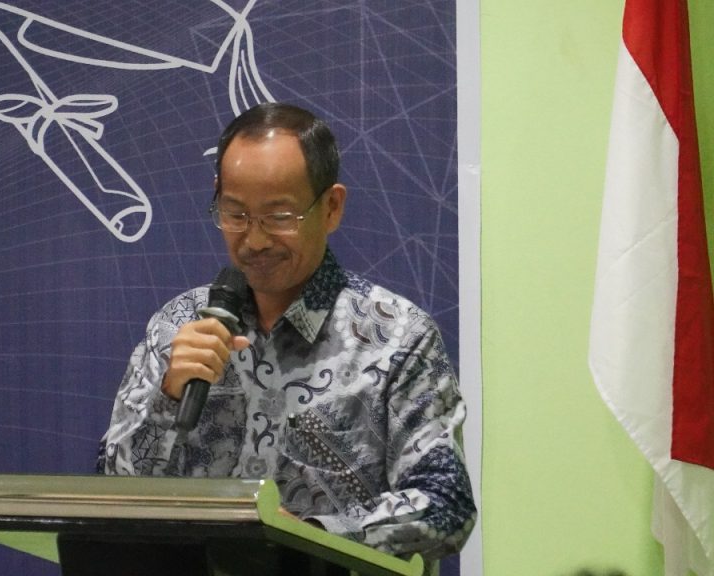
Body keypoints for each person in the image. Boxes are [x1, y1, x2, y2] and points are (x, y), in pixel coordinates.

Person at [98, 102, 476, 568]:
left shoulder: (397, 337)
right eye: (235, 214)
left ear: (331, 207)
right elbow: (114, 495)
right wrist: (167, 399)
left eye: (279, 216)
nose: (254, 240)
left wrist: (304, 539)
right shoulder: (177, 326)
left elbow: (444, 504)